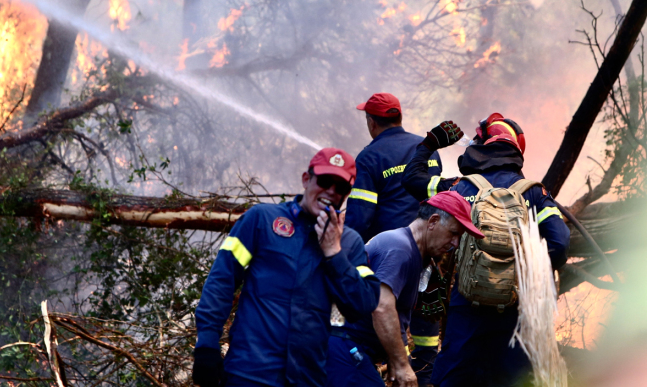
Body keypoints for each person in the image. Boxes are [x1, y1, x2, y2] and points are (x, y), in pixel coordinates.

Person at [402, 113, 571, 387]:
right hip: (518, 313)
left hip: (467, 309)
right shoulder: (535, 194)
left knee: (453, 379)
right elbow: (560, 245)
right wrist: (520, 277)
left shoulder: (460, 188)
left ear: (482, 147)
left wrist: (428, 145)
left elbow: (412, 180)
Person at [193, 148, 381, 387]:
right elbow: (221, 281)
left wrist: (334, 254)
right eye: (324, 181)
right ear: (306, 179)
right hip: (249, 373)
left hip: (307, 378)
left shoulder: (349, 242)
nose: (331, 191)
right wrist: (207, 345)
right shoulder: (261, 220)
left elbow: (362, 305)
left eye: (341, 187)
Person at [325, 191, 485, 387]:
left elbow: (397, 316)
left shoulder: (411, 251)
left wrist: (397, 358)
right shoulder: (400, 249)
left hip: (352, 348)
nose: (455, 244)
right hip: (344, 346)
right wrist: (401, 364)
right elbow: (382, 307)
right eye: (453, 233)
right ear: (433, 221)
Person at [347, 92, 444, 382]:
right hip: (428, 249)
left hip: (388, 259)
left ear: (371, 122)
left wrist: (348, 253)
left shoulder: (369, 157)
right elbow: (440, 200)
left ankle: (392, 368)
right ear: (399, 117)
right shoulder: (427, 150)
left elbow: (359, 217)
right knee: (425, 312)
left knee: (385, 311)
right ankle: (425, 370)